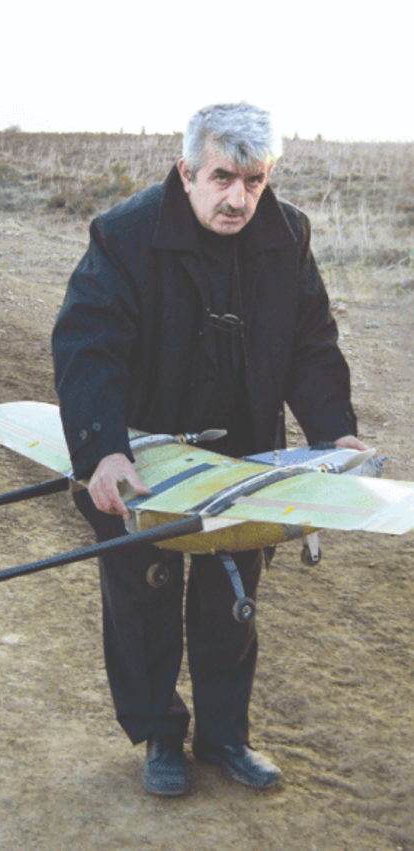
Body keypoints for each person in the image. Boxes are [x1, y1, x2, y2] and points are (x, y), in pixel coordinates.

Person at [51, 103, 365, 797]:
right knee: (145, 595)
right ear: (187, 171)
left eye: (254, 181)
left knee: (231, 599)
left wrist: (333, 431)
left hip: (242, 456)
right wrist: (103, 450)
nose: (239, 198)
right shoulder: (125, 234)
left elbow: (311, 344)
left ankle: (225, 736)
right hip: (142, 454)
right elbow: (88, 347)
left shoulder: (286, 236)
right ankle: (160, 732)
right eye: (222, 178)